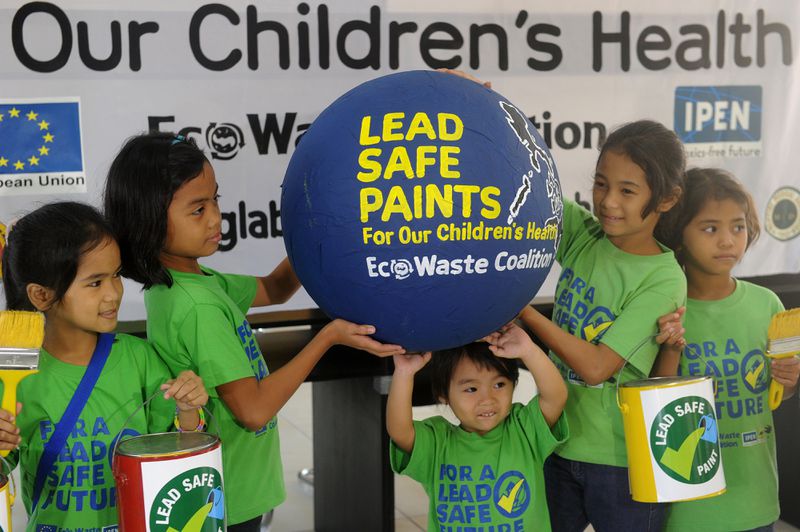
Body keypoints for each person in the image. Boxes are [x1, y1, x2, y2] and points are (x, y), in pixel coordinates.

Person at [103, 132, 405, 530]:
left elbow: (274, 288)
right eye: (197, 209)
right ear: (149, 220)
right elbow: (254, 410)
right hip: (230, 495)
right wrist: (327, 338)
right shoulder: (197, 307)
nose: (214, 217)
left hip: (230, 486)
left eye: (215, 200)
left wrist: (319, 232)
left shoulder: (188, 283)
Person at [517, 120, 687, 530]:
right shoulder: (586, 237)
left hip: (621, 463)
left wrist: (522, 313)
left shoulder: (664, 279)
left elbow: (595, 368)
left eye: (627, 191)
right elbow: (532, 180)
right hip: (556, 443)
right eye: (600, 184)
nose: (608, 201)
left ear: (666, 199)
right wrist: (482, 104)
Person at [0, 202, 208, 531]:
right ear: (41, 295)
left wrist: (188, 409)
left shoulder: (140, 360)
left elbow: (176, 455)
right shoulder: (15, 376)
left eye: (115, 276)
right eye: (95, 283)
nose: (114, 293)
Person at [651, 168, 800, 532]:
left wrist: (791, 379)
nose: (728, 241)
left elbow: (780, 391)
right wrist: (670, 347)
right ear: (679, 235)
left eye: (738, 226)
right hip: (687, 508)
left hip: (756, 501)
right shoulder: (664, 307)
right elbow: (653, 401)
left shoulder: (767, 304)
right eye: (710, 228)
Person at [387, 324, 568, 531]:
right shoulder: (438, 442)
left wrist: (529, 351)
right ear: (444, 395)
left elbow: (556, 398)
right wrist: (403, 373)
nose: (487, 399)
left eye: (499, 385)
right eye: (471, 389)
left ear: (513, 384)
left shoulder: (524, 430)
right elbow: (399, 431)